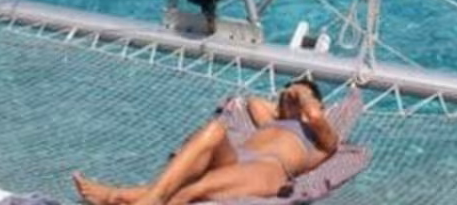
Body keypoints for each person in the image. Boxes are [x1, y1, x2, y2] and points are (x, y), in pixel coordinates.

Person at [72, 79, 339, 205]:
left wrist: (303, 94)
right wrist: (285, 99)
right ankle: (131, 197)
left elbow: (315, 115)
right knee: (215, 131)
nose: (288, 96)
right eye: (287, 93)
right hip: (236, 160)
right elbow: (255, 103)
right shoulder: (272, 120)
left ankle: (117, 195)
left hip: (268, 169)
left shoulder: (321, 141)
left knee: (190, 190)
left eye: (295, 97)